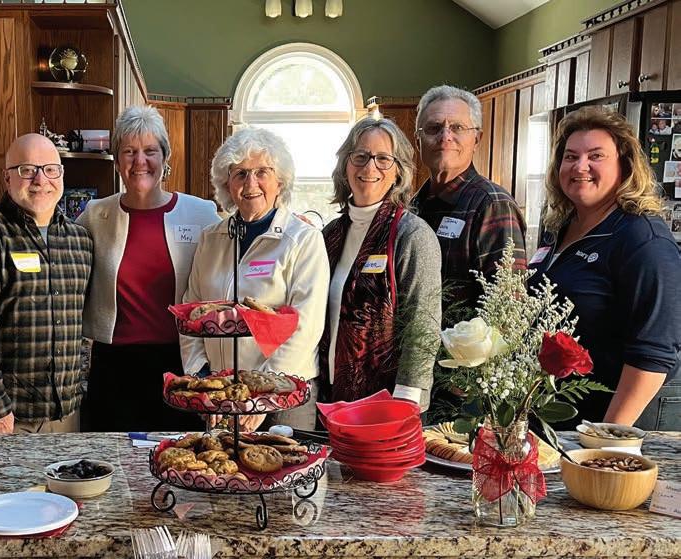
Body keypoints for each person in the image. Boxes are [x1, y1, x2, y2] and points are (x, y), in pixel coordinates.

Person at [529, 107, 681, 430]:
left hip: (609, 428)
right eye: (570, 157)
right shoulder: (559, 226)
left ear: (625, 166)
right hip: (557, 419)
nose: (580, 166)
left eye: (596, 156)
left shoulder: (643, 239)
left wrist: (605, 436)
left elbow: (654, 354)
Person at [77, 106, 219, 432]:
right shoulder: (96, 215)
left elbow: (230, 265)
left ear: (165, 157)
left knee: (180, 454)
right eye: (129, 152)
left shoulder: (201, 214)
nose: (140, 161)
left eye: (150, 151)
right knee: (111, 456)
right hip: (113, 366)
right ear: (117, 161)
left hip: (180, 363)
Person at [181, 126, 329, 431]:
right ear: (227, 183)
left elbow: (306, 326)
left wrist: (262, 394)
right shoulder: (210, 239)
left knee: (282, 462)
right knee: (221, 461)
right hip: (223, 394)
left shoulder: (303, 240)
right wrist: (202, 378)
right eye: (240, 174)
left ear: (280, 180)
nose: (251, 183)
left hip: (285, 394)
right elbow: (191, 313)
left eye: (262, 172)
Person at [0, 133, 93, 434]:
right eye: (27, 170)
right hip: (9, 418)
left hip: (67, 414)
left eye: (50, 169)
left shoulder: (81, 241)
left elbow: (81, 329)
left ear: (62, 174)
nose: (40, 180)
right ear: (7, 178)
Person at [320, 117, 441, 412]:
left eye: (383, 159)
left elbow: (422, 324)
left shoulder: (411, 234)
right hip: (330, 396)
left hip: (389, 402)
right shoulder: (330, 235)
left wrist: (406, 401)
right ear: (345, 165)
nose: (369, 167)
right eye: (360, 156)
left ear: (399, 171)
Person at [412, 85, 527, 319]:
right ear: (418, 141)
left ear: (477, 139)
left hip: (462, 344)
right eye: (434, 128)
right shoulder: (411, 208)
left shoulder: (493, 205)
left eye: (457, 127)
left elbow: (507, 312)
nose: (445, 137)